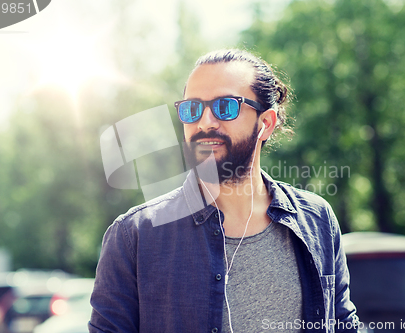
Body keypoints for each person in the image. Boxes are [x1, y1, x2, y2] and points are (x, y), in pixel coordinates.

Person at [89, 49, 359, 333]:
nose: (204, 122)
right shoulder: (134, 237)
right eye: (192, 109)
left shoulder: (316, 220)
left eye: (225, 106)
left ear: (265, 123)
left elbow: (343, 324)